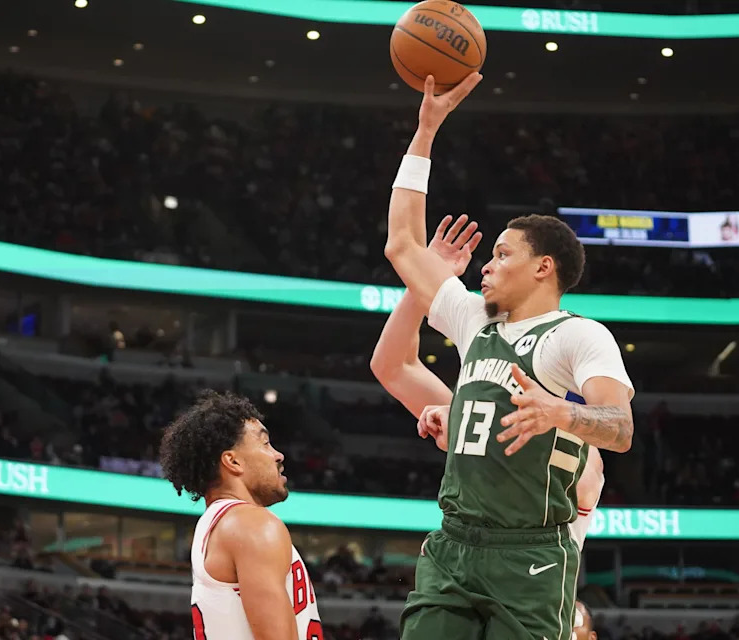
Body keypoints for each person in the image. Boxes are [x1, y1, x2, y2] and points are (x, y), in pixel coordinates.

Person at [382, 72, 634, 640]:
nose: (485, 265)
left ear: (544, 267)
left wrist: (559, 413)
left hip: (531, 554)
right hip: (452, 542)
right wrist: (425, 130)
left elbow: (620, 429)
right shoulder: (474, 320)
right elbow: (402, 243)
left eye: (501, 254)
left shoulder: (581, 335)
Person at [370, 214, 606, 553]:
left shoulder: (578, 445)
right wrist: (423, 283)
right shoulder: (473, 408)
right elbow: (394, 367)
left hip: (532, 586)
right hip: (465, 570)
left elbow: (578, 478)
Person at [159, 390, 322, 640]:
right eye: (265, 443)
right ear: (233, 462)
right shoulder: (250, 524)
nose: (278, 455)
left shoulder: (217, 526)